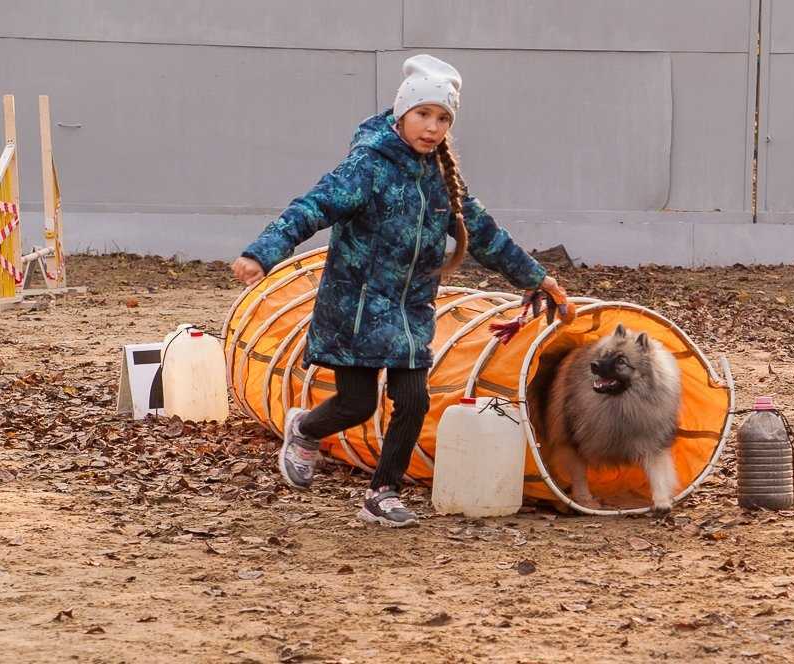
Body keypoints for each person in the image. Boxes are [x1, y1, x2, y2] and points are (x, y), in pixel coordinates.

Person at [232, 54, 573, 527]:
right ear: (401, 113)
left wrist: (536, 278)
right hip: (356, 309)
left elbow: (485, 235)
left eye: (442, 118)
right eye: (423, 114)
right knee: (357, 404)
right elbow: (311, 208)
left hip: (411, 311)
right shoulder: (367, 166)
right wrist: (261, 253)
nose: (432, 128)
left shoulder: (443, 179)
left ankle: (382, 492)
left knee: (414, 400)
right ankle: (305, 428)